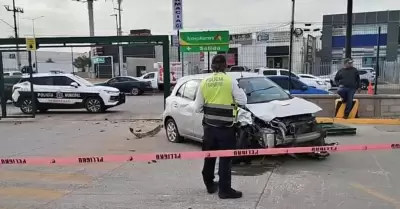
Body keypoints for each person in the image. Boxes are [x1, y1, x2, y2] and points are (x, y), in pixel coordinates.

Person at [194, 54, 247, 199]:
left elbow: (197, 107)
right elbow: (242, 100)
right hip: (226, 128)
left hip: (209, 128)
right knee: (225, 159)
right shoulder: (230, 81)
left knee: (209, 157)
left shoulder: (204, 82)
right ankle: (224, 190)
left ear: (212, 67)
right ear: (225, 66)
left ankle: (210, 185)